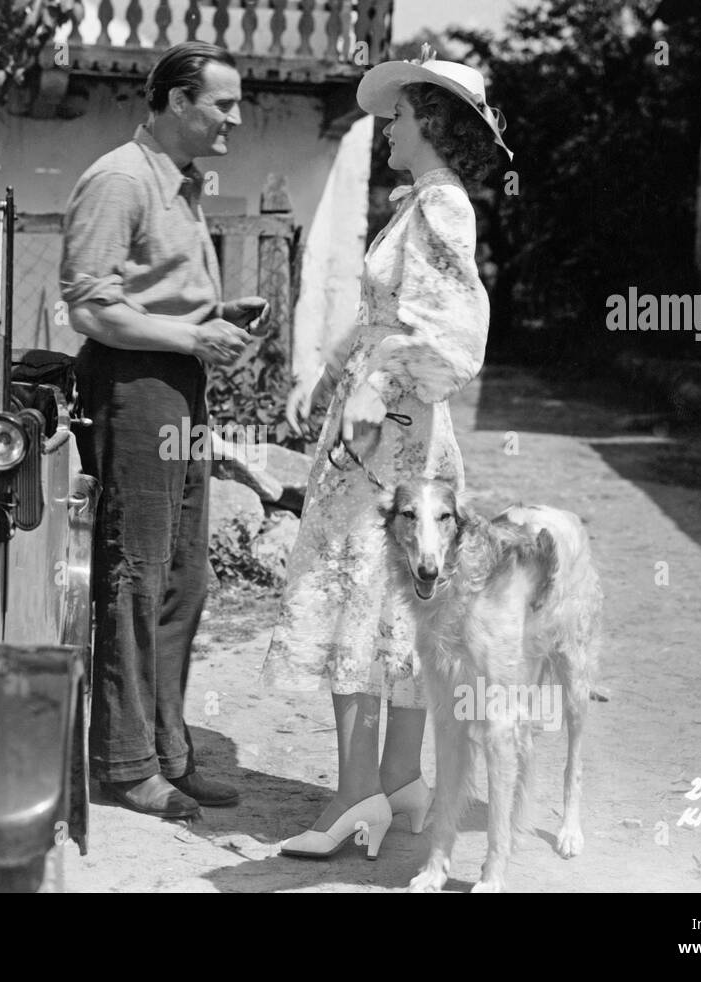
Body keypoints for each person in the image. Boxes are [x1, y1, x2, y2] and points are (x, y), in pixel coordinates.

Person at [259, 48, 513, 858]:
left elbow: (451, 336)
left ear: (431, 121)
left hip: (390, 440)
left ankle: (354, 795)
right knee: (397, 603)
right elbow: (386, 315)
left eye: (398, 116)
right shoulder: (420, 204)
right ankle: (402, 778)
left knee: (358, 597)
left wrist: (375, 387)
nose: (388, 127)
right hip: (389, 430)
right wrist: (332, 374)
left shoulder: (442, 207)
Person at [61, 41, 270, 819]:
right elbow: (88, 307)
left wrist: (216, 318)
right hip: (133, 389)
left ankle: (167, 752)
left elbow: (156, 299)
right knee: (135, 574)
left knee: (186, 577)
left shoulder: (180, 185)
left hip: (177, 387)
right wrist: (190, 338)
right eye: (224, 104)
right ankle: (122, 763)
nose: (235, 120)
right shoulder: (120, 178)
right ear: (179, 101)